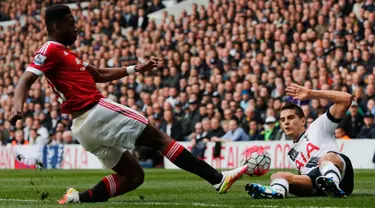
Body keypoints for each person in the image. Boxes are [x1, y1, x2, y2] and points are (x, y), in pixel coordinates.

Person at [8, 5, 247, 204]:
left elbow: (99, 74)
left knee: (133, 176)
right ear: (56, 27)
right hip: (95, 112)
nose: (76, 27)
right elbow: (26, 78)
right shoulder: (50, 49)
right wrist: (18, 105)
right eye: (71, 23)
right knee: (159, 138)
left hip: (83, 129)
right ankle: (217, 179)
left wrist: (135, 68)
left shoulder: (67, 54)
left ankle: (77, 198)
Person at [246, 84, 354, 199]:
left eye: (290, 118)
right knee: (277, 176)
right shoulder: (292, 155)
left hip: (340, 172)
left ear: (303, 121)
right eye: (282, 120)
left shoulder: (318, 126)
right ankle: (276, 192)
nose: (286, 122)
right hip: (316, 183)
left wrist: (311, 93)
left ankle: (332, 183)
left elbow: (346, 99)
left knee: (326, 158)